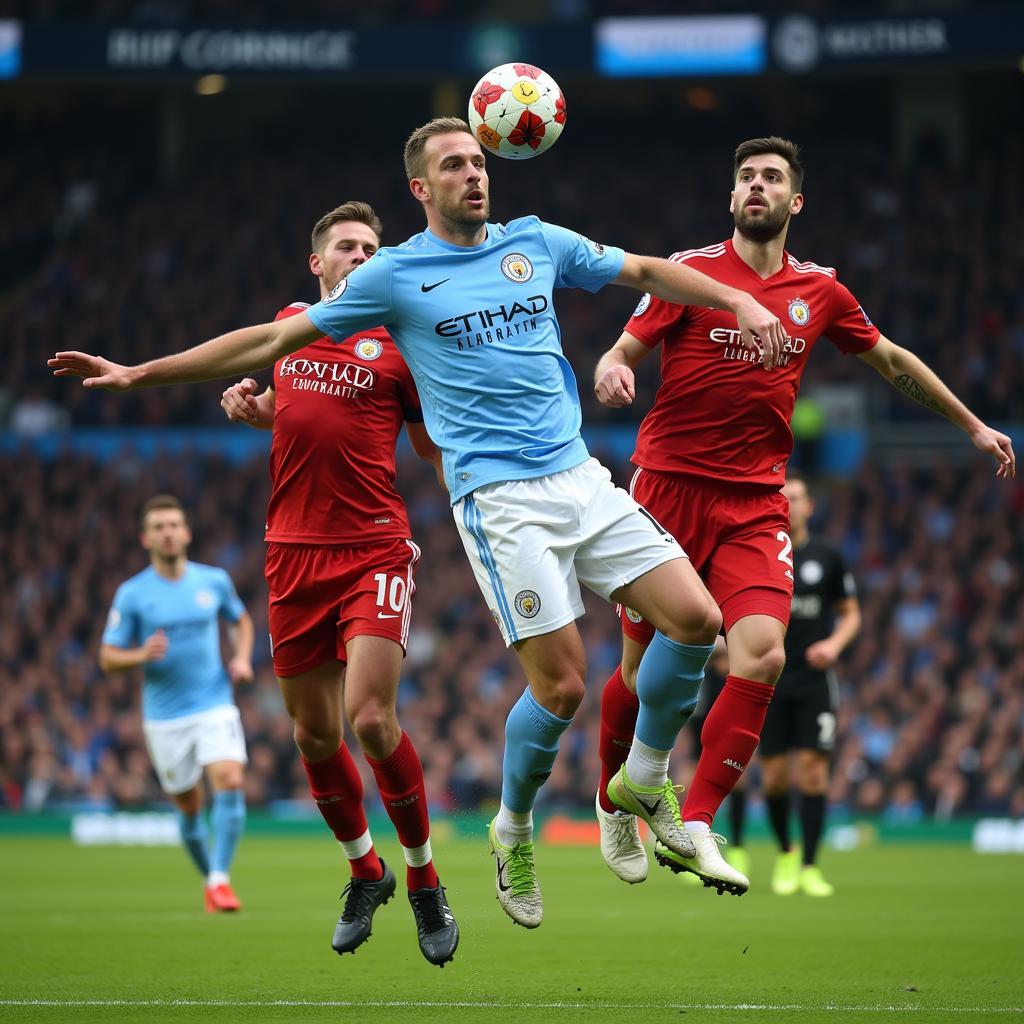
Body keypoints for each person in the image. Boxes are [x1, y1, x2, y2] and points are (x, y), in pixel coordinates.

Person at [50, 116, 792, 929]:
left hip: (580, 475)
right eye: (453, 165)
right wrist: (139, 375)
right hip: (500, 500)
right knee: (566, 685)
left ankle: (643, 779)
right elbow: (270, 337)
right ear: (421, 188)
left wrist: (733, 298)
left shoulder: (537, 242)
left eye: (479, 161)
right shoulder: (396, 275)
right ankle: (512, 827)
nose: (474, 175)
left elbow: (646, 269)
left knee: (695, 619)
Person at [592, 136, 1014, 896]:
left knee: (763, 656)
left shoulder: (821, 290)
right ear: (732, 198)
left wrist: (972, 425)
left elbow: (890, 361)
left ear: (795, 202)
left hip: (756, 503)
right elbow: (620, 350)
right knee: (636, 669)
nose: (757, 185)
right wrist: (616, 367)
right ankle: (613, 800)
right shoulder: (690, 274)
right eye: (746, 176)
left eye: (772, 178)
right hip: (667, 492)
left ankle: (694, 824)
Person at [218, 200, 458, 966]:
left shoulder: (401, 343)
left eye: (370, 247)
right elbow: (295, 415)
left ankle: (424, 879)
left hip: (373, 550)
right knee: (312, 734)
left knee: (370, 720)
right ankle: (366, 871)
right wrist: (258, 410)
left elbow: (431, 449)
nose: (359, 255)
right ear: (317, 263)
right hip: (291, 555)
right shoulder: (292, 324)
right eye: (345, 247)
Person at [100, 494, 254, 912]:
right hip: (165, 718)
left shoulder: (213, 581)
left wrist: (240, 658)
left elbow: (240, 619)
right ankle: (210, 879)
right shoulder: (133, 595)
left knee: (230, 779)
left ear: (186, 533)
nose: (167, 533)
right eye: (159, 527)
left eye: (173, 525)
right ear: (145, 538)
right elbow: (108, 657)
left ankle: (221, 879)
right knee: (189, 806)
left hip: (214, 702)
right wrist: (140, 654)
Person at [760, 470, 860, 897]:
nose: (789, 504)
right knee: (776, 777)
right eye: (782, 498)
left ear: (809, 506)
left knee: (815, 774)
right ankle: (785, 851)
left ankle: (811, 865)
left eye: (796, 497)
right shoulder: (761, 553)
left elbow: (851, 612)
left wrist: (835, 644)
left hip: (814, 681)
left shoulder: (827, 556)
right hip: (770, 679)